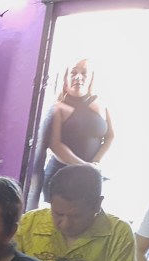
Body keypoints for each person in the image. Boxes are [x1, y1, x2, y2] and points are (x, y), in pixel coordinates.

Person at [16, 165, 135, 261]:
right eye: (58, 214)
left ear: (98, 204)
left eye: (76, 216)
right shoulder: (28, 223)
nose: (66, 224)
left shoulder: (118, 233)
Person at [42, 59, 114, 202]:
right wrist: (85, 166)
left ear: (91, 78)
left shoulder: (102, 104)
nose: (78, 77)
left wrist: (95, 163)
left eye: (84, 73)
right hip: (61, 177)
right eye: (73, 73)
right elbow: (55, 145)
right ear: (65, 78)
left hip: (90, 178)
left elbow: (110, 136)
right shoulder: (57, 108)